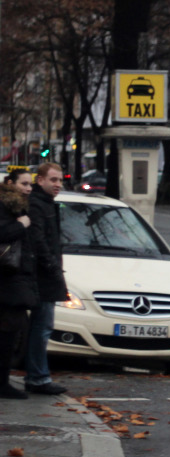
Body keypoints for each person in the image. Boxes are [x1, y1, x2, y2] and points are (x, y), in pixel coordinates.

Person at [23, 163, 69, 395]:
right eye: (53, 180)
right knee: (42, 327)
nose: (58, 184)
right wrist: (52, 266)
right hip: (42, 277)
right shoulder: (38, 205)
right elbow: (39, 240)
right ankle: (38, 378)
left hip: (43, 275)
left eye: (60, 180)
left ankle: (37, 375)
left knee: (39, 327)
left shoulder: (45, 204)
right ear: (39, 180)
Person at [0, 169, 39, 398]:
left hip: (13, 280)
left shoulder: (19, 207)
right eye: (24, 183)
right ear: (10, 183)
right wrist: (21, 224)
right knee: (7, 334)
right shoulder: (7, 207)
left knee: (10, 333)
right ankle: (2, 384)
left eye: (30, 184)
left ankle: (3, 381)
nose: (28, 188)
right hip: (6, 280)